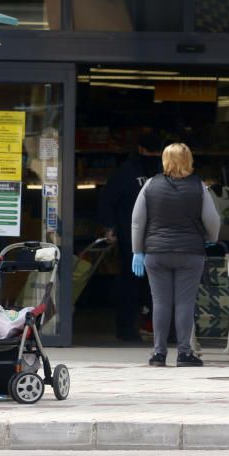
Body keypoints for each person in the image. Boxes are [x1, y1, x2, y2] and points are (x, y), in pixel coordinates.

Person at [131, 142, 220, 367]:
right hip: (190, 253)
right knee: (185, 304)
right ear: (188, 160)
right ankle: (184, 353)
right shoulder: (199, 186)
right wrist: (212, 238)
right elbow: (212, 220)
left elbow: (137, 221)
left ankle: (158, 354)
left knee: (160, 302)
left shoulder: (150, 185)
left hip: (156, 253)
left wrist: (137, 251)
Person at [98, 132, 163, 342]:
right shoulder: (163, 172)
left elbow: (107, 200)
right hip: (150, 239)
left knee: (134, 286)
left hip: (135, 238)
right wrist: (110, 226)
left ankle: (132, 330)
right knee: (153, 287)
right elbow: (108, 201)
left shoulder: (127, 171)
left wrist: (110, 227)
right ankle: (151, 332)